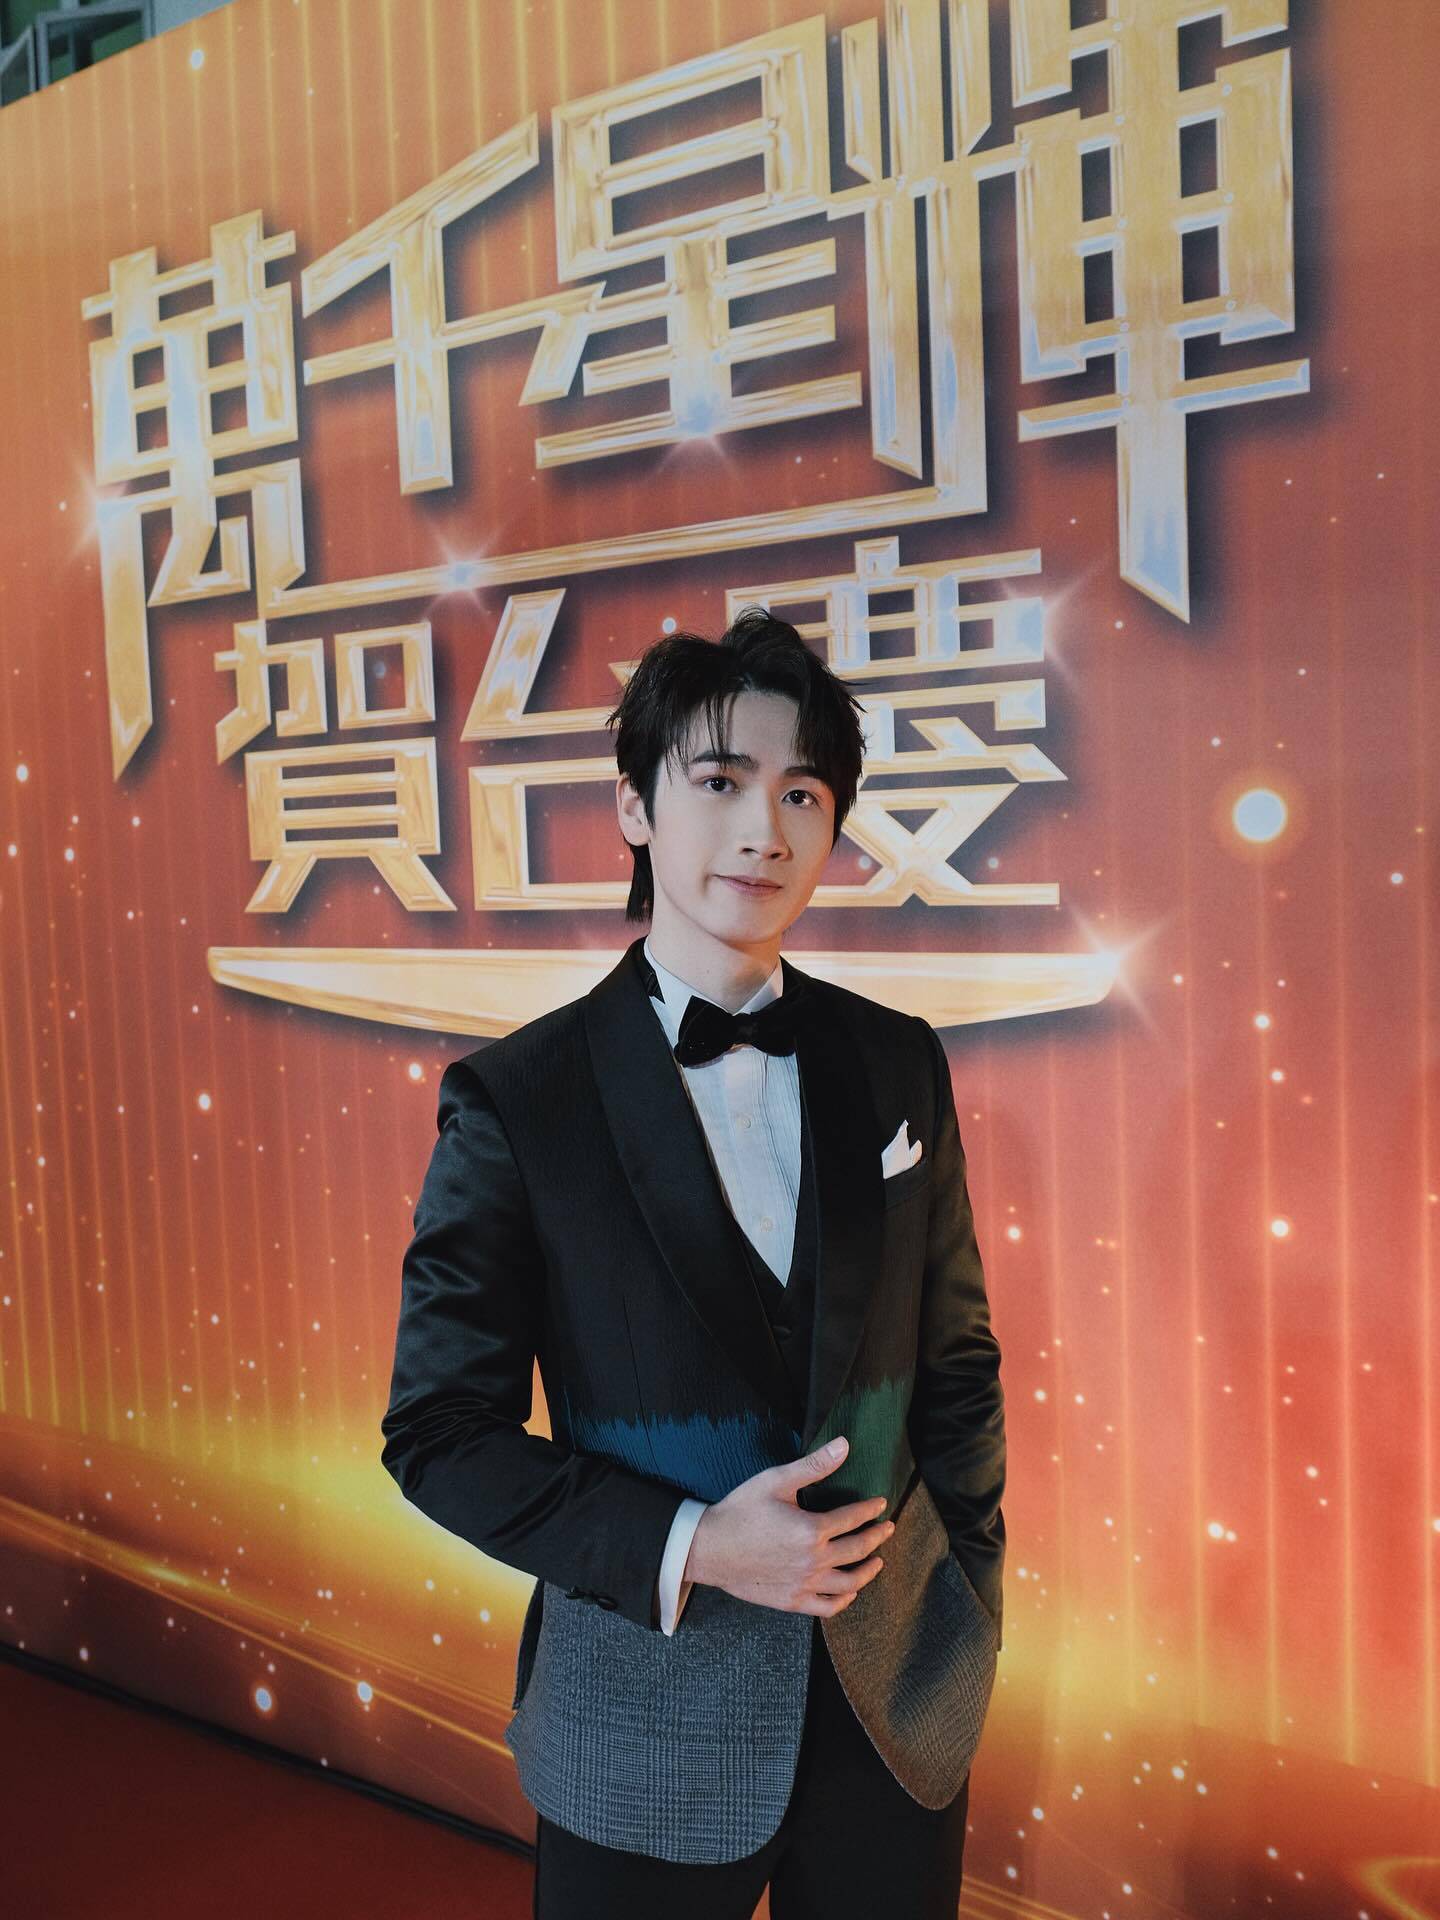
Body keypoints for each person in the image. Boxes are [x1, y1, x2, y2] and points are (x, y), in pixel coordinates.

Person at [380, 607, 1007, 1918]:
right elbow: (439, 1434)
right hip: (642, 1722)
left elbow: (956, 1357)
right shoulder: (520, 1100)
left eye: (802, 794)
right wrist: (697, 1544)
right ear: (635, 805)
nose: (763, 830)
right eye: (720, 782)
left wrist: (968, 1602)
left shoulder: (899, 1061)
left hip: (894, 1702)